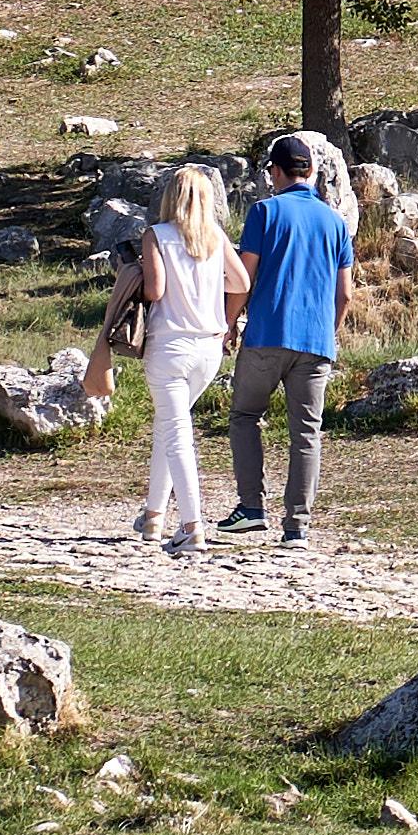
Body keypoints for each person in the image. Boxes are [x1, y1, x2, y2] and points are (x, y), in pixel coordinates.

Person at [225, 131, 357, 545]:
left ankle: (251, 508)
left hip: (267, 333)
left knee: (246, 417)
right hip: (316, 341)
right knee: (306, 432)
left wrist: (229, 321)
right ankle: (297, 524)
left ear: (275, 173)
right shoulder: (335, 223)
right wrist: (328, 332)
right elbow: (346, 294)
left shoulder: (265, 212)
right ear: (314, 171)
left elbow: (244, 277)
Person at [122, 163, 237, 557]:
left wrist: (134, 269)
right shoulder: (215, 238)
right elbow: (241, 283)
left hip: (170, 345)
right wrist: (219, 303)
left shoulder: (157, 235)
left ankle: (191, 526)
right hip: (208, 347)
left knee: (177, 434)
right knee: (170, 428)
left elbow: (154, 292)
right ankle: (153, 515)